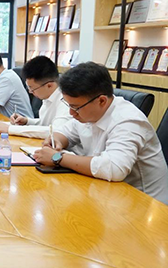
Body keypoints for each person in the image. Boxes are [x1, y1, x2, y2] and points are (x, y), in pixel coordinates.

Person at [33, 62, 168, 205]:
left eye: (75, 107)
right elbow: (65, 131)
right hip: (107, 194)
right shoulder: (88, 112)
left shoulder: (128, 120)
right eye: (69, 105)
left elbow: (114, 168)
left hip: (145, 204)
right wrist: (55, 140)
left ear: (102, 101)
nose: (71, 113)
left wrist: (57, 158)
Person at [0, 55, 71, 138]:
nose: (30, 92)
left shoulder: (66, 101)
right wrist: (27, 121)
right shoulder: (48, 97)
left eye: (32, 89)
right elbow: (45, 124)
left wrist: (10, 129)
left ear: (49, 85)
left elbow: (55, 131)